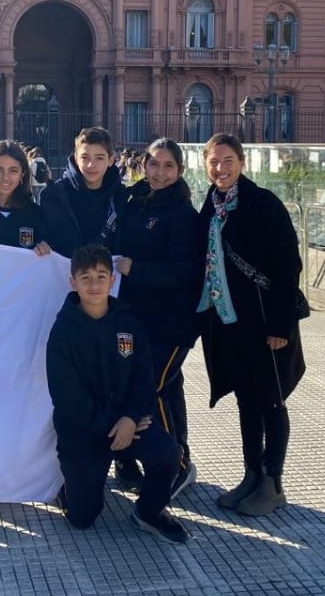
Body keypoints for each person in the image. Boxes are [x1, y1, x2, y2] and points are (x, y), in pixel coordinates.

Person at [45, 245, 188, 545]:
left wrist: (132, 417)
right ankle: (71, 487)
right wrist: (116, 422)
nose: (94, 284)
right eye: (86, 278)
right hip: (85, 429)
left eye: (101, 276)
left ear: (112, 281)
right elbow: (67, 397)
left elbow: (144, 379)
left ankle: (150, 512)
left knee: (167, 453)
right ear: (73, 283)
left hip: (127, 422)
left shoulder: (128, 323)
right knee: (83, 518)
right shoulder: (63, 330)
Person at [197, 133, 304, 517]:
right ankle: (251, 473)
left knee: (271, 399)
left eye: (227, 161)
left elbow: (288, 265)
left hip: (265, 322)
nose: (220, 169)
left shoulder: (263, 204)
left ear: (241, 163)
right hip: (231, 321)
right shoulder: (210, 204)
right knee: (247, 399)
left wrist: (280, 325)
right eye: (214, 162)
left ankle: (273, 483)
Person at [112, 138, 204, 499]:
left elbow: (185, 272)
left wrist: (137, 269)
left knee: (152, 389)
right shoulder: (134, 201)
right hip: (136, 317)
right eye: (154, 164)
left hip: (170, 322)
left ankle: (175, 466)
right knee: (168, 389)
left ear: (179, 170)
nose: (160, 173)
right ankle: (155, 456)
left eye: (168, 166)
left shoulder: (182, 215)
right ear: (143, 165)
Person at [39, 127, 125, 258]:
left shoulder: (121, 197)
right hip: (61, 275)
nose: (91, 165)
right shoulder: (53, 196)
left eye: (99, 158)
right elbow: (40, 233)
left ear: (111, 160)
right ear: (75, 159)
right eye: (85, 157)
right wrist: (39, 243)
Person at [0, 140, 51, 254]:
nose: (5, 177)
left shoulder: (35, 214)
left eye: (13, 171)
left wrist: (44, 247)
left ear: (22, 174)